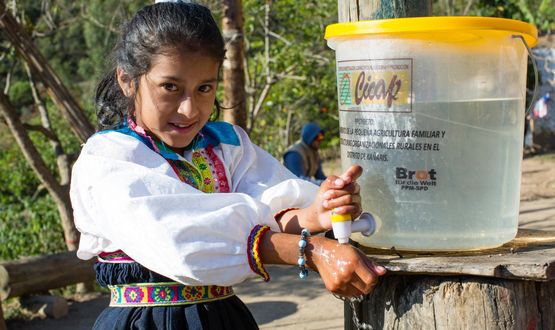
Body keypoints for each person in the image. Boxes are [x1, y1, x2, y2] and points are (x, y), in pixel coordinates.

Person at [70, 1, 385, 329]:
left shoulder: (227, 145)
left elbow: (270, 206)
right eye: (170, 87)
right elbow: (183, 239)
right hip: (145, 322)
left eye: (204, 88)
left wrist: (316, 211)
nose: (189, 109)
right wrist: (310, 250)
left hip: (225, 318)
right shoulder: (108, 158)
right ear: (127, 79)